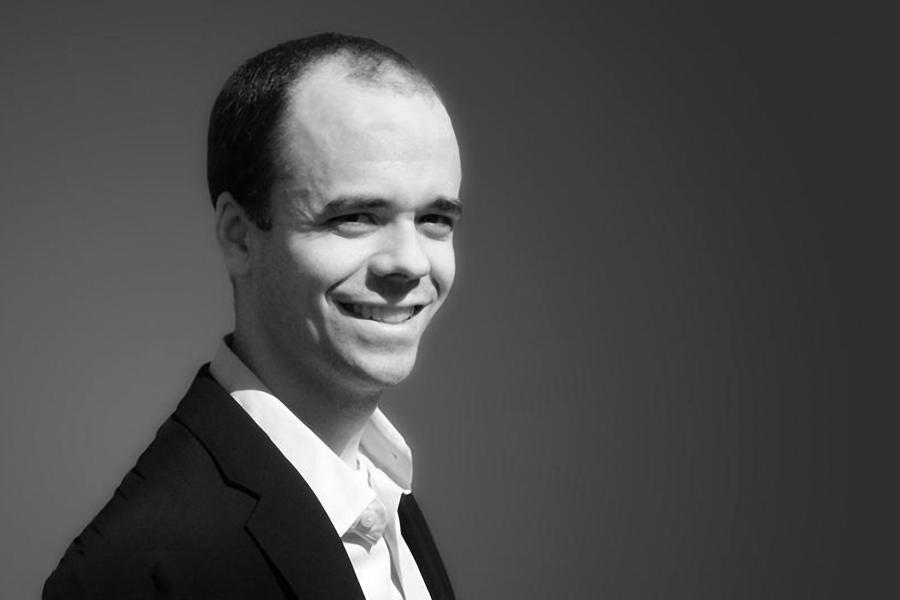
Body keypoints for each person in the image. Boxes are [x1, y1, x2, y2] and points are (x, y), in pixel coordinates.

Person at [43, 32, 462, 600]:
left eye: (435, 219)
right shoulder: (141, 570)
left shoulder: (382, 492)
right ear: (239, 236)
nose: (410, 263)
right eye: (358, 216)